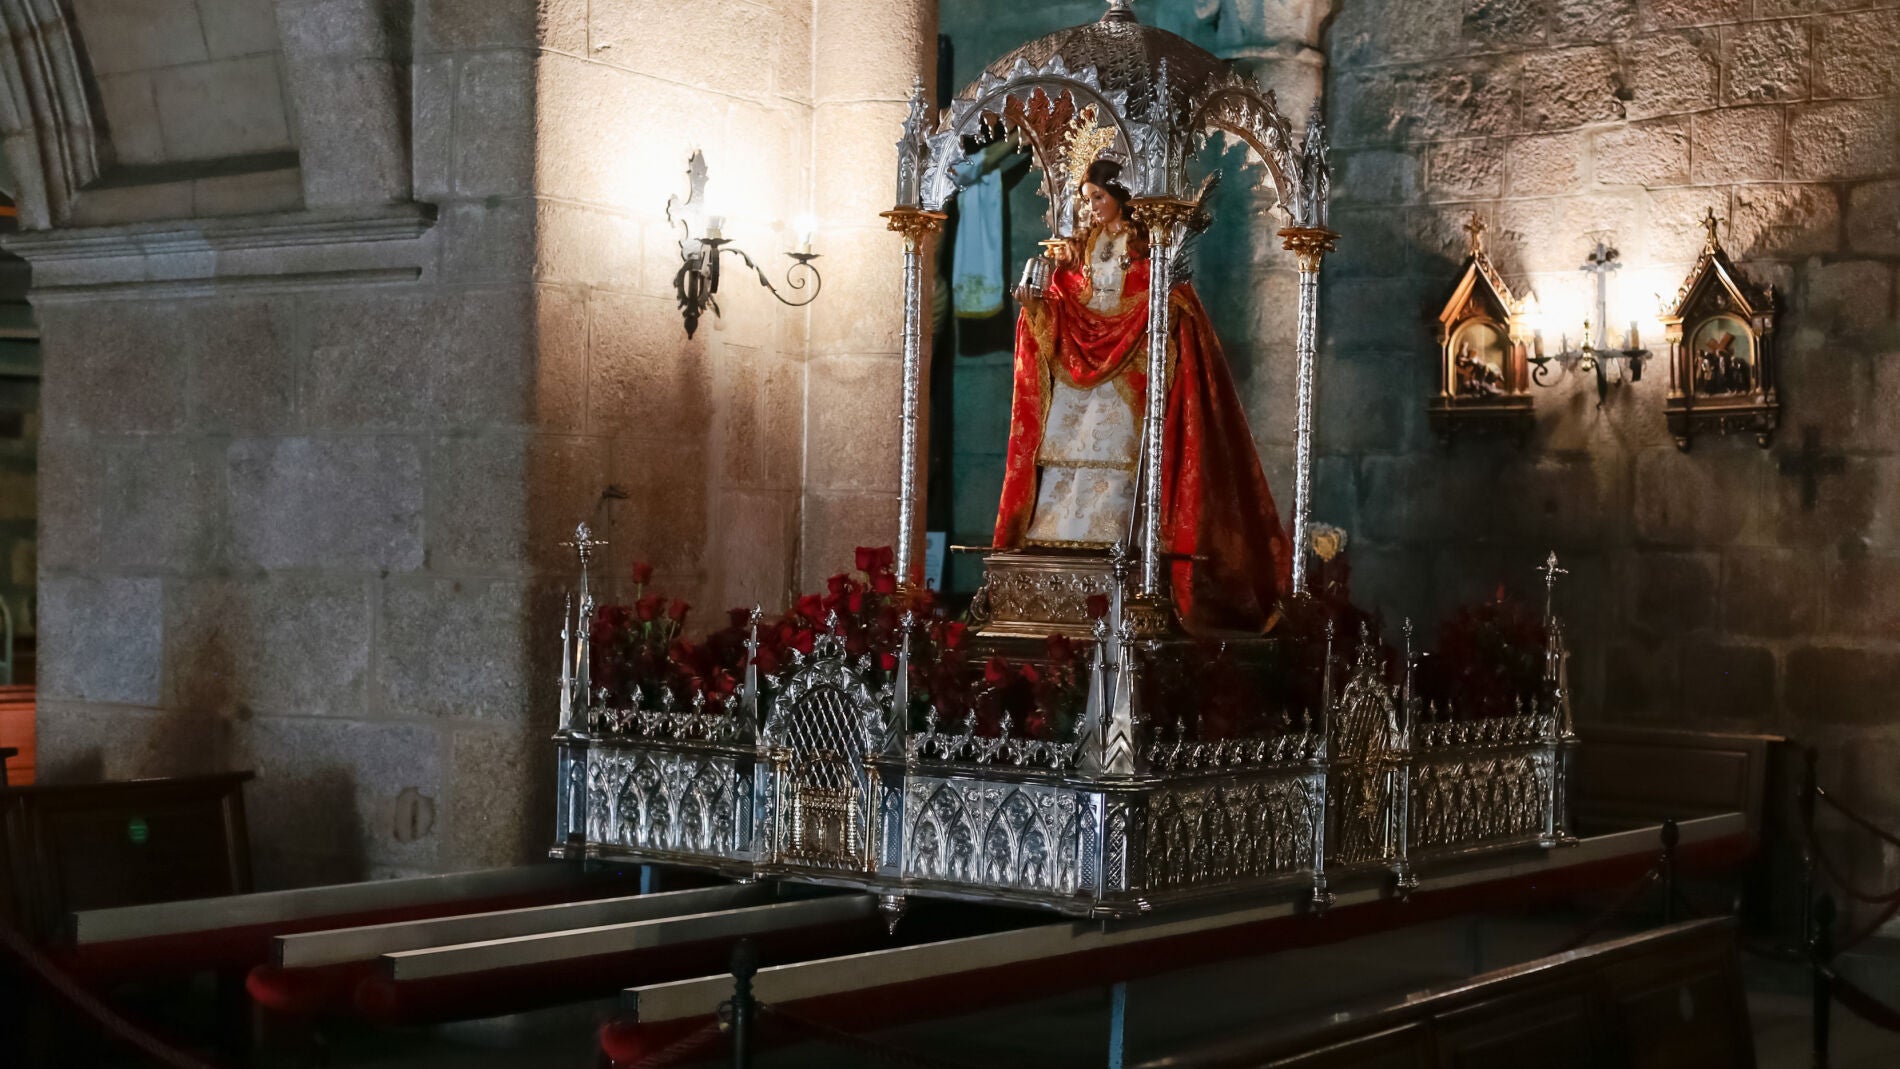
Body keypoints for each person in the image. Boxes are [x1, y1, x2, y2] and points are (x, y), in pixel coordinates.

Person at [994, 159, 1291, 632]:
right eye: (1087, 199)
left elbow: (1160, 296)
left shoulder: (1142, 247)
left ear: (1119, 197)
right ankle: (1058, 546)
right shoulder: (1081, 248)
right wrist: (1040, 304)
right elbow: (1069, 298)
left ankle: (1121, 551)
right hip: (1080, 371)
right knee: (1066, 454)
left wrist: (1160, 307)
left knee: (1119, 453)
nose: (1092, 207)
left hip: (1128, 367)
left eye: (1099, 197)